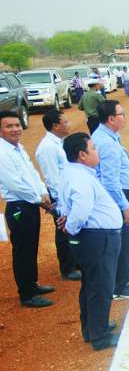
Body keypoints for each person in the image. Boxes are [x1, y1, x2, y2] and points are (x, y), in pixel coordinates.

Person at [59, 133, 122, 350]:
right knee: (100, 286)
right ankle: (99, 335)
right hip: (97, 238)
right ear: (82, 155)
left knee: (92, 285)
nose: (97, 152)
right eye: (93, 148)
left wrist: (71, 226)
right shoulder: (80, 178)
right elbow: (81, 209)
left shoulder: (74, 173)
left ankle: (92, 328)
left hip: (93, 237)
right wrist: (71, 228)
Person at [0, 111, 56, 307]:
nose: (15, 129)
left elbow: (32, 174)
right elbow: (15, 185)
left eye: (17, 125)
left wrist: (43, 192)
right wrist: (40, 200)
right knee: (23, 250)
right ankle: (27, 294)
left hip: (31, 204)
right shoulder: (2, 153)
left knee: (31, 247)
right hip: (19, 207)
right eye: (9, 126)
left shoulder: (18, 148)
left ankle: (32, 284)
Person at [92, 101, 129, 298]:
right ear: (111, 119)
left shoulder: (108, 137)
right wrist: (125, 206)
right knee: (122, 240)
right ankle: (120, 285)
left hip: (120, 195)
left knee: (124, 239)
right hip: (118, 197)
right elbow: (110, 181)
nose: (125, 117)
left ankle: (125, 274)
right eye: (122, 114)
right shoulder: (107, 143)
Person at [35, 109, 80, 280]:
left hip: (68, 193)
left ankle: (75, 262)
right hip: (60, 196)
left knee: (72, 227)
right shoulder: (47, 148)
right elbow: (52, 178)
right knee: (63, 230)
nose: (69, 124)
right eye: (65, 122)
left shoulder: (58, 143)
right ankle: (67, 268)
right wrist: (60, 203)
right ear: (55, 126)